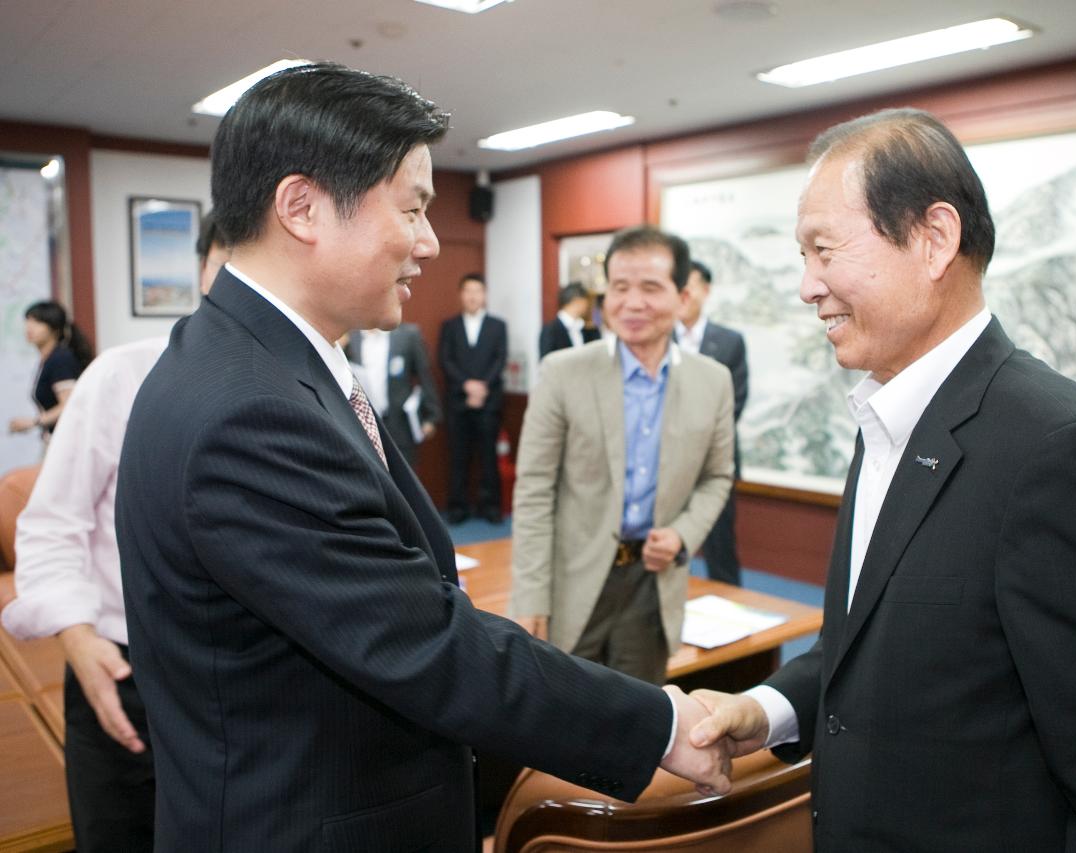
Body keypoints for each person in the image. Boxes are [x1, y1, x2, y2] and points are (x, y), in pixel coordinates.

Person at [113, 63, 729, 853]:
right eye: (412, 209)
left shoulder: (252, 361)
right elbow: (425, 642)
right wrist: (661, 724)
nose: (431, 243)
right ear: (302, 207)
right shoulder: (250, 410)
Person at [687, 109, 1076, 851]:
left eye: (824, 249)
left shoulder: (1059, 454)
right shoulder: (888, 416)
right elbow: (878, 648)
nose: (807, 286)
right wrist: (768, 709)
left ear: (935, 239)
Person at [2, 213, 230, 852]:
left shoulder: (324, 387)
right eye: (228, 260)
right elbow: (50, 526)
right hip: (123, 670)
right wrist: (75, 638)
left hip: (249, 683)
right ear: (203, 268)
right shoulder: (123, 374)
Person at [511, 226, 735, 684]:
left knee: (636, 723)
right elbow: (534, 489)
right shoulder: (562, 373)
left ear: (684, 295)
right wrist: (529, 596)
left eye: (650, 288)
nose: (632, 303)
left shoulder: (713, 381)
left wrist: (683, 534)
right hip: (573, 578)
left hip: (652, 584)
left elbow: (718, 476)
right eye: (619, 287)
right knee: (561, 722)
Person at [676, 260, 748, 585]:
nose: (684, 293)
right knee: (669, 547)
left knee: (721, 547)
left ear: (706, 291)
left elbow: (735, 401)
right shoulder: (658, 340)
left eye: (690, 286)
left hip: (714, 460)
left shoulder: (729, 341)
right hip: (667, 462)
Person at [438, 273, 507, 523]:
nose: (473, 296)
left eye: (478, 291)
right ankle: (458, 507)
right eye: (468, 291)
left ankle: (491, 507)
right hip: (458, 401)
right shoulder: (450, 326)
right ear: (461, 295)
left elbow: (500, 359)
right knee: (459, 457)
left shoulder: (498, 326)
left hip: (489, 402)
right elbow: (445, 360)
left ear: (485, 295)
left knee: (489, 457)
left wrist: (482, 387)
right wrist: (467, 385)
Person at [344, 323, 442, 466]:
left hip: (399, 422)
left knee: (404, 475)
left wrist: (432, 416)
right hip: (363, 423)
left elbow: (425, 375)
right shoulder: (351, 338)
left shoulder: (407, 335)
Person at [8, 300, 95, 437]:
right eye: (28, 321)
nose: (29, 327)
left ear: (54, 328)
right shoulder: (48, 359)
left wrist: (33, 422)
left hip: (69, 441)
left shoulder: (60, 359)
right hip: (56, 439)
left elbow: (69, 404)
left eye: (38, 322)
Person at [537, 282, 600, 359]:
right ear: (577, 301)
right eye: (586, 301)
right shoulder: (550, 330)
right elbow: (546, 363)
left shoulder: (587, 329)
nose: (588, 306)